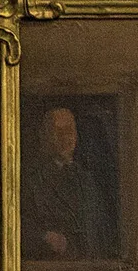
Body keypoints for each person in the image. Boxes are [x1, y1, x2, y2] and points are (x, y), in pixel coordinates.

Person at [22, 104, 113, 261]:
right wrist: (45, 237)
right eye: (59, 132)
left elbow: (101, 230)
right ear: (45, 136)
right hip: (53, 266)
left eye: (70, 131)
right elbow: (20, 226)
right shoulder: (32, 180)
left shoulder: (87, 180)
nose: (66, 137)